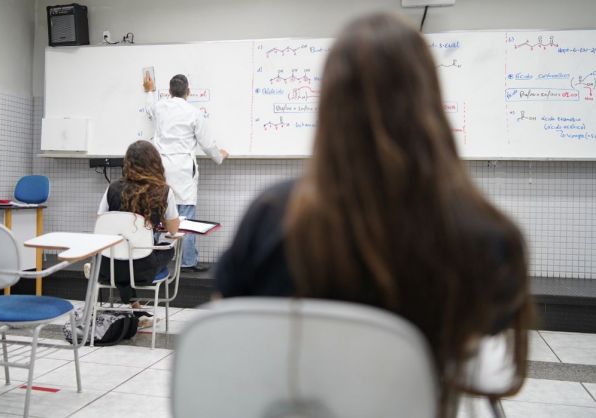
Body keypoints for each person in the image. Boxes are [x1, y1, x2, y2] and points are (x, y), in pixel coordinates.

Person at [214, 13, 533, 418]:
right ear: (429, 102)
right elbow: (478, 355)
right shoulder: (490, 237)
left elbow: (225, 332)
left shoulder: (273, 217)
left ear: (329, 106)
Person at [143, 73, 229, 272]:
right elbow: (207, 144)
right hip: (183, 169)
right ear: (188, 92)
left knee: (158, 213)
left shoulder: (160, 106)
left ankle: (151, 259)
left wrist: (149, 91)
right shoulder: (194, 113)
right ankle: (188, 262)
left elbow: (149, 109)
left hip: (161, 168)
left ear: (170, 91)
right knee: (186, 219)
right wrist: (220, 156)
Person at [96, 140, 180, 309]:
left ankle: (135, 305)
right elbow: (173, 230)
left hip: (108, 267)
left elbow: (101, 222)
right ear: (155, 163)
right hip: (142, 270)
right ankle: (136, 308)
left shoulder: (112, 188)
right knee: (168, 247)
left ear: (127, 163)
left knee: (125, 253)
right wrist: (160, 217)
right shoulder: (163, 191)